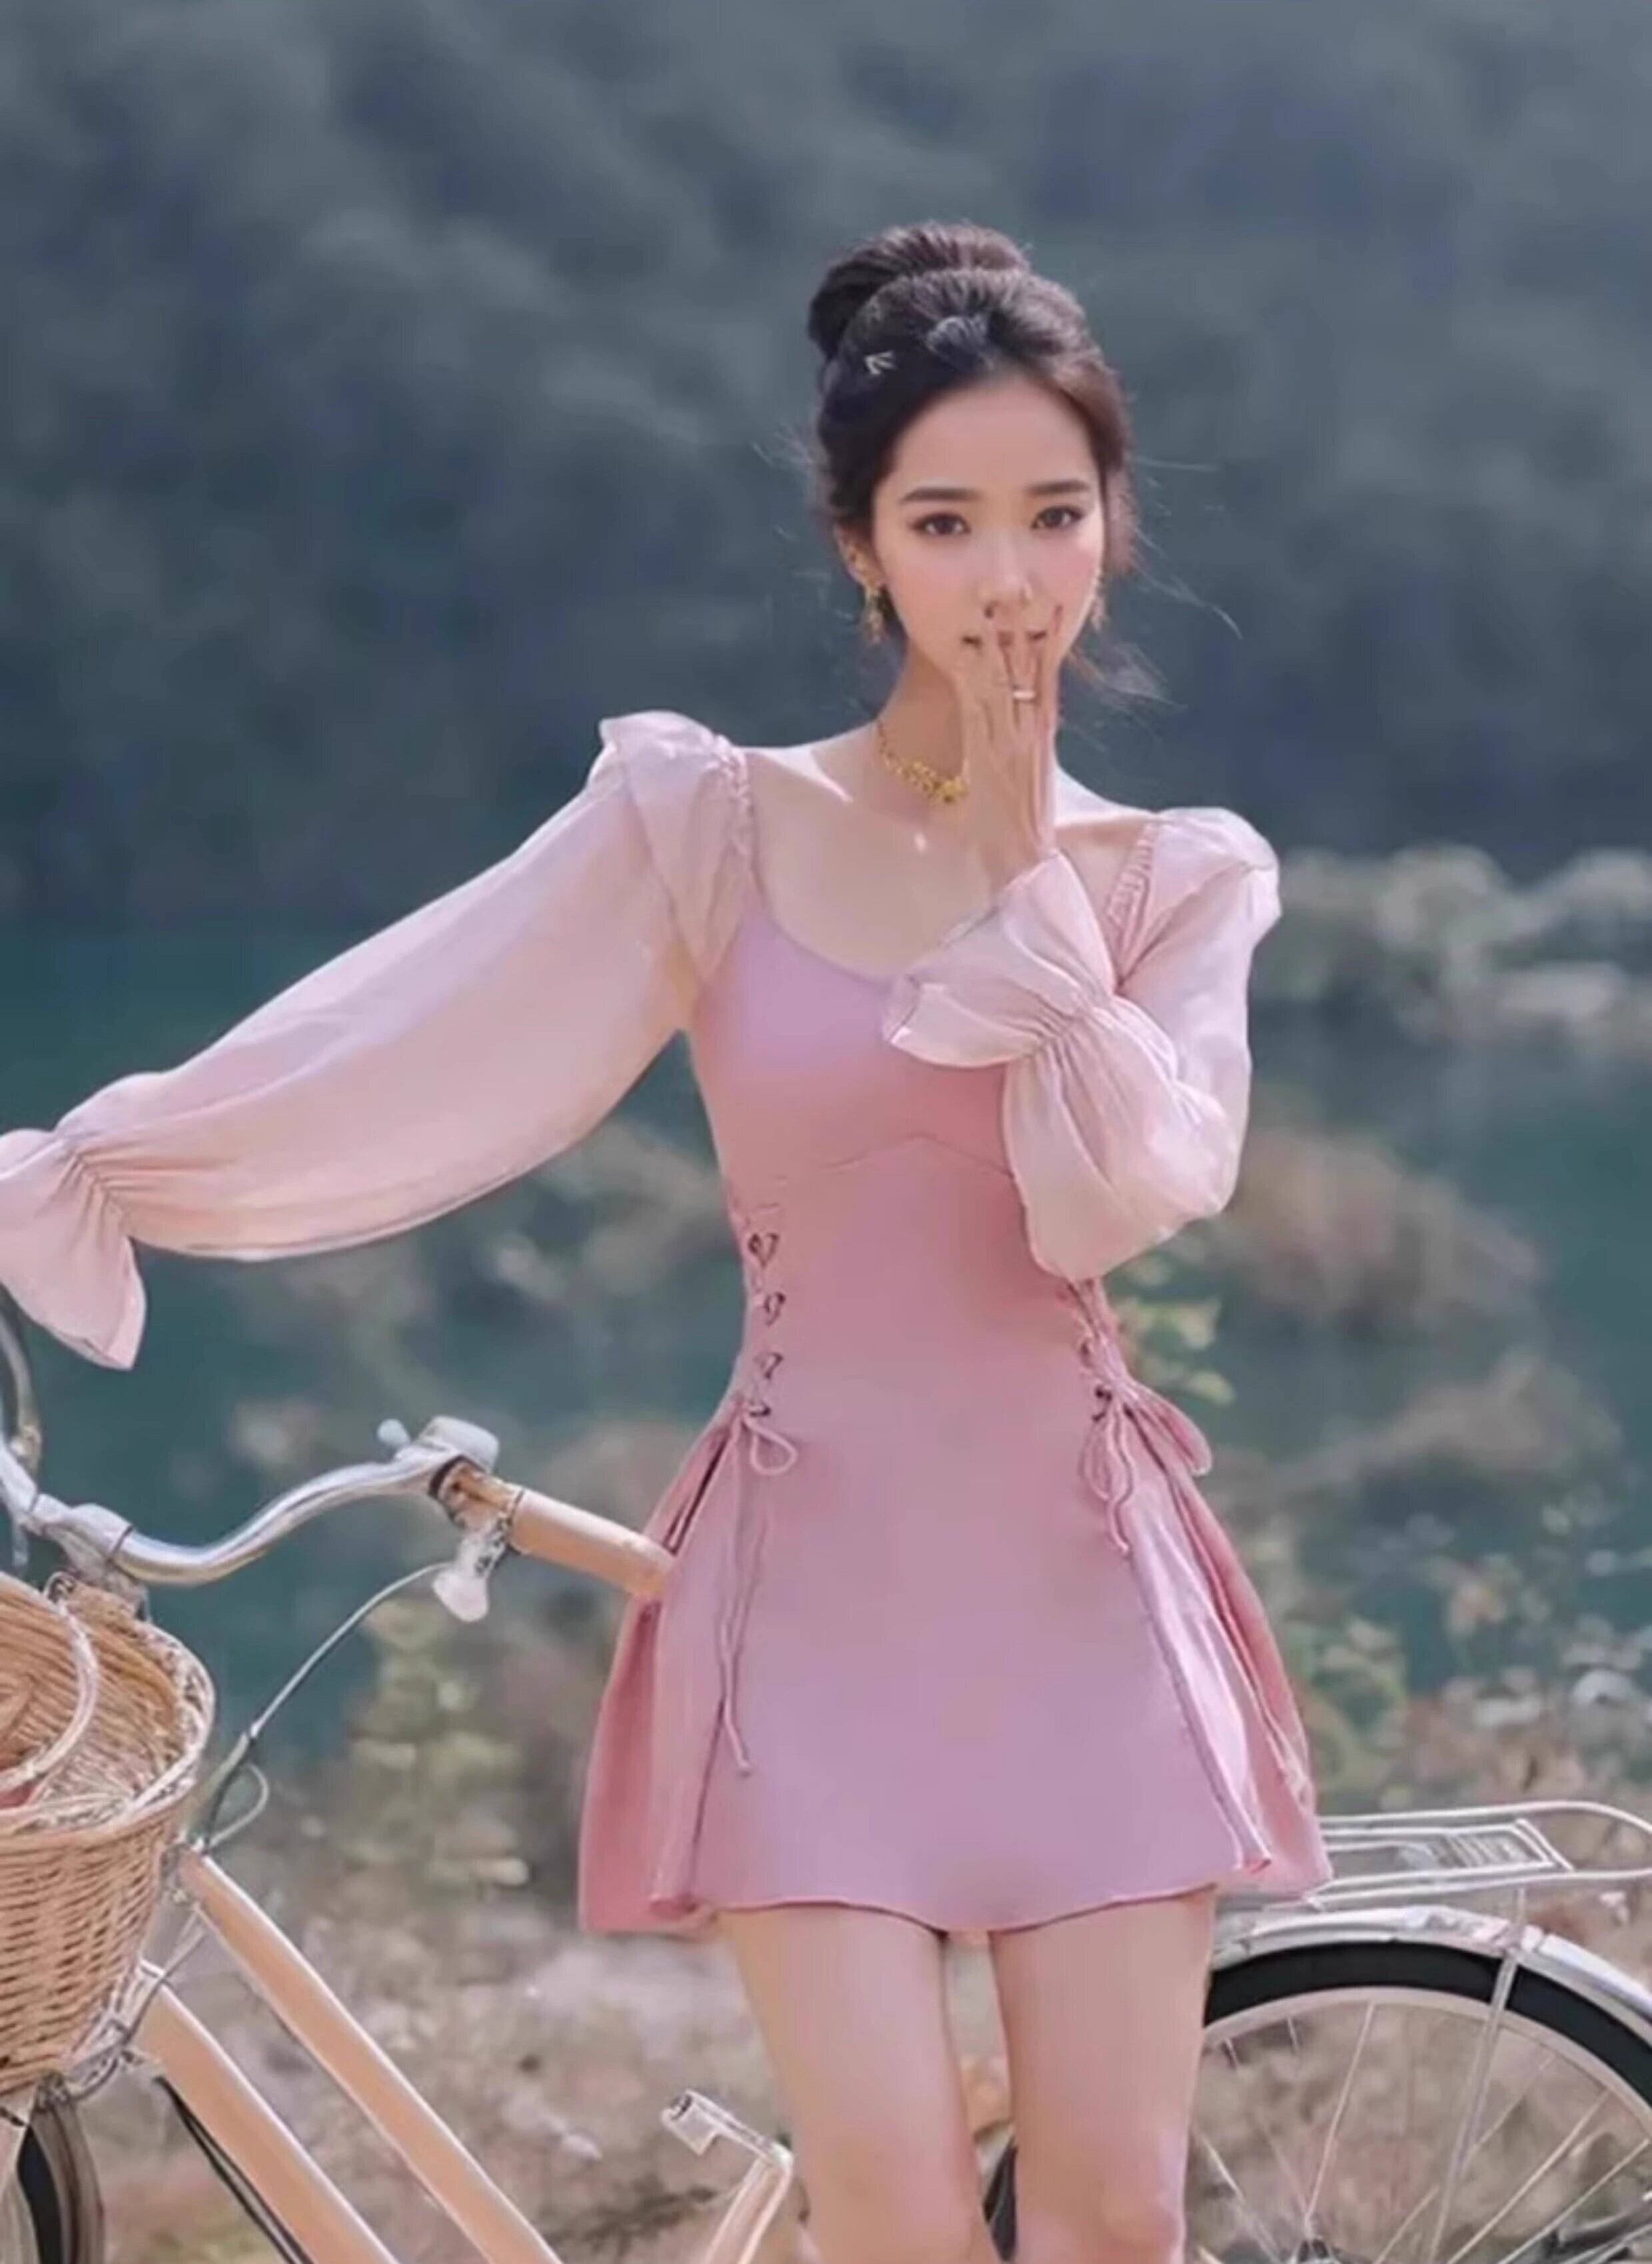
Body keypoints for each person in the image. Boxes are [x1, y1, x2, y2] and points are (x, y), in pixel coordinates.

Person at [0, 218, 1330, 2263]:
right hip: (806, 1597)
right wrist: (92, 1174)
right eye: (947, 522)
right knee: (895, 2221)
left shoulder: (1177, 880)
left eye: (1053, 515)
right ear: (862, 547)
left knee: (1111, 2223)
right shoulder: (713, 827)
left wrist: (1022, 877)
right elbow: (409, 1033)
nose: (1008, 575)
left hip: (1086, 1590)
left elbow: (1115, 1198)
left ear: (1112, 531)